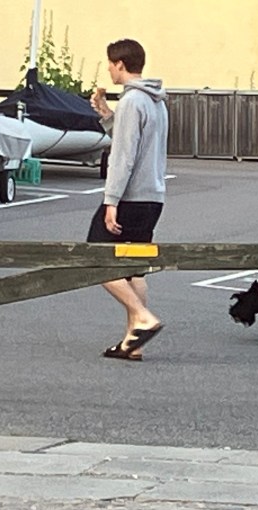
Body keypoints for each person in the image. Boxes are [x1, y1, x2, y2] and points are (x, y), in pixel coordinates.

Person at [87, 38, 168, 361]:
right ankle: (134, 342)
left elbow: (123, 157)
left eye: (110, 64)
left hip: (130, 197)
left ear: (120, 64)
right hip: (153, 196)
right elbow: (133, 141)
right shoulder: (155, 100)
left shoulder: (132, 101)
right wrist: (108, 115)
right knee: (134, 269)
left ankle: (143, 318)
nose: (108, 69)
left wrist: (111, 201)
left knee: (95, 256)